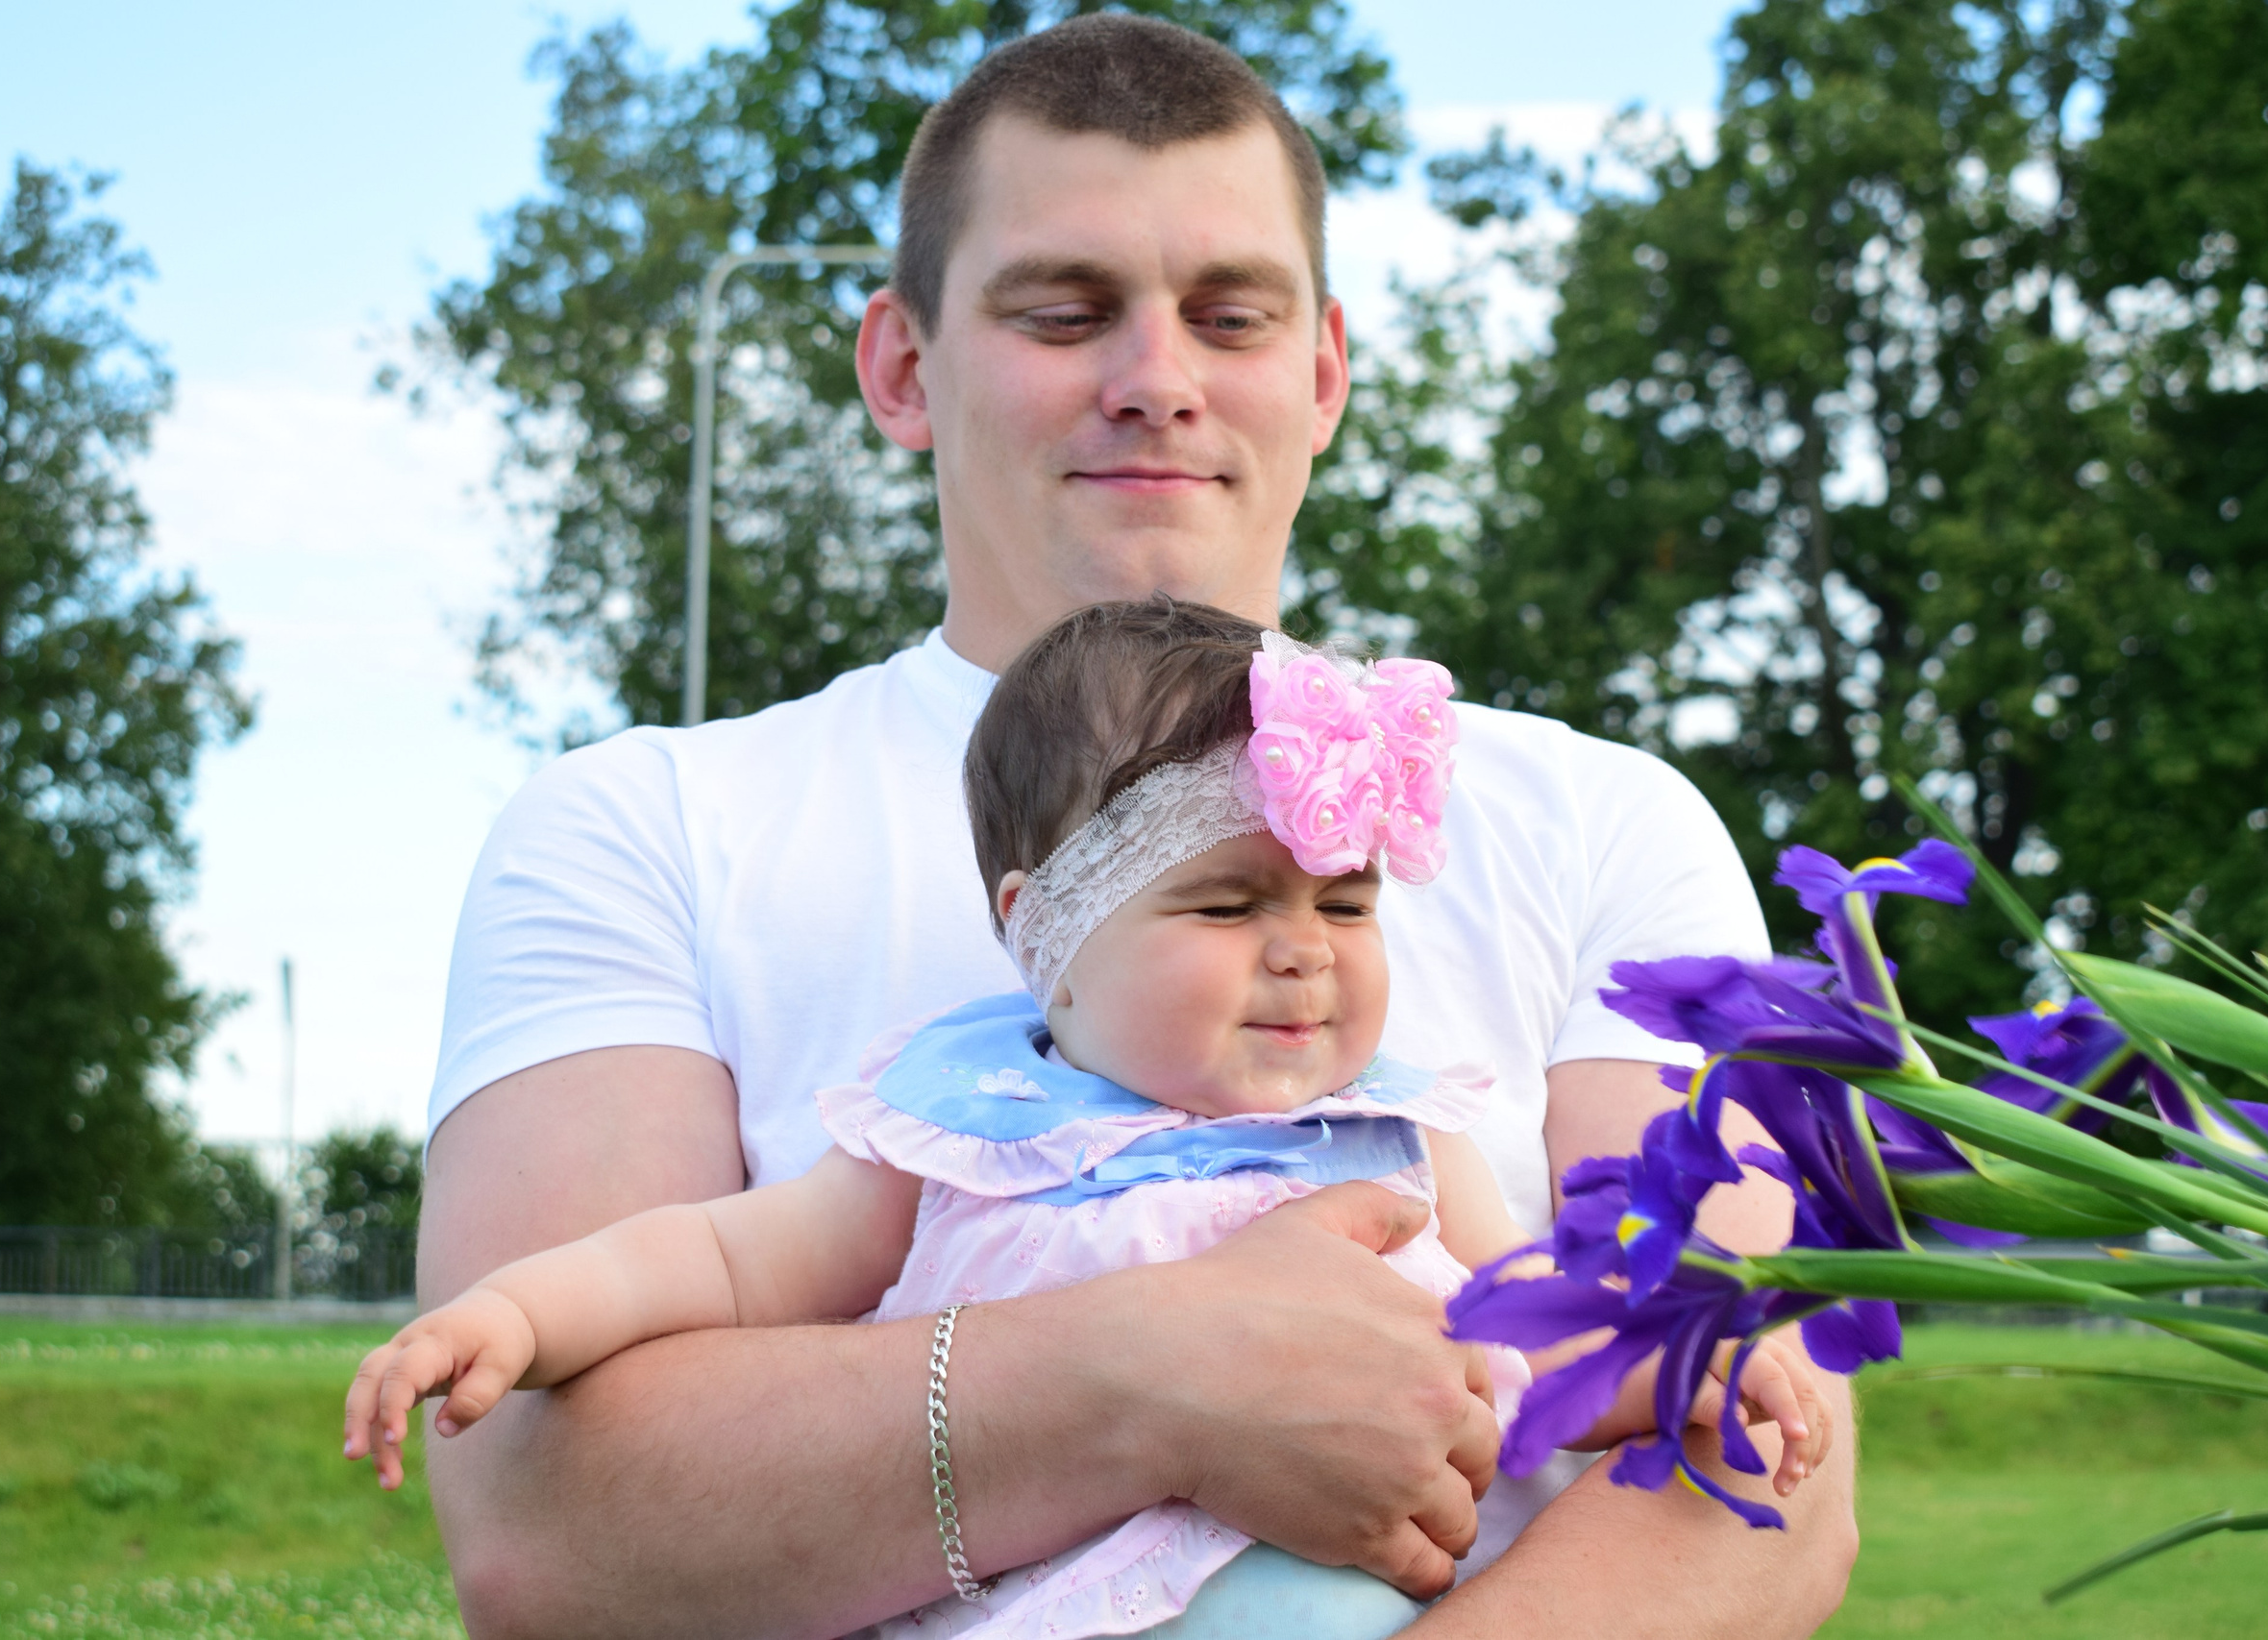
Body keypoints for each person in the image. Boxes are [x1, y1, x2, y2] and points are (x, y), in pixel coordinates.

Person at [421, 15, 1860, 1639]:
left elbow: (1760, 1460)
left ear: (1323, 372)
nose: (1157, 382)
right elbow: (549, 1529)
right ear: (901, 366)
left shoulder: (1605, 821)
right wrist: (1154, 1378)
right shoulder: (642, 827)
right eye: (1066, 311)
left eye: (1229, 315)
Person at [370, 604, 1833, 1638]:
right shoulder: (956, 1133)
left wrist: (1689, 1358)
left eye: (1344, 903)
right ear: (1041, 930)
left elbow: (1537, 1327)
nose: (1303, 948)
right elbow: (711, 1261)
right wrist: (515, 1312)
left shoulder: (1405, 1138)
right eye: (1225, 903)